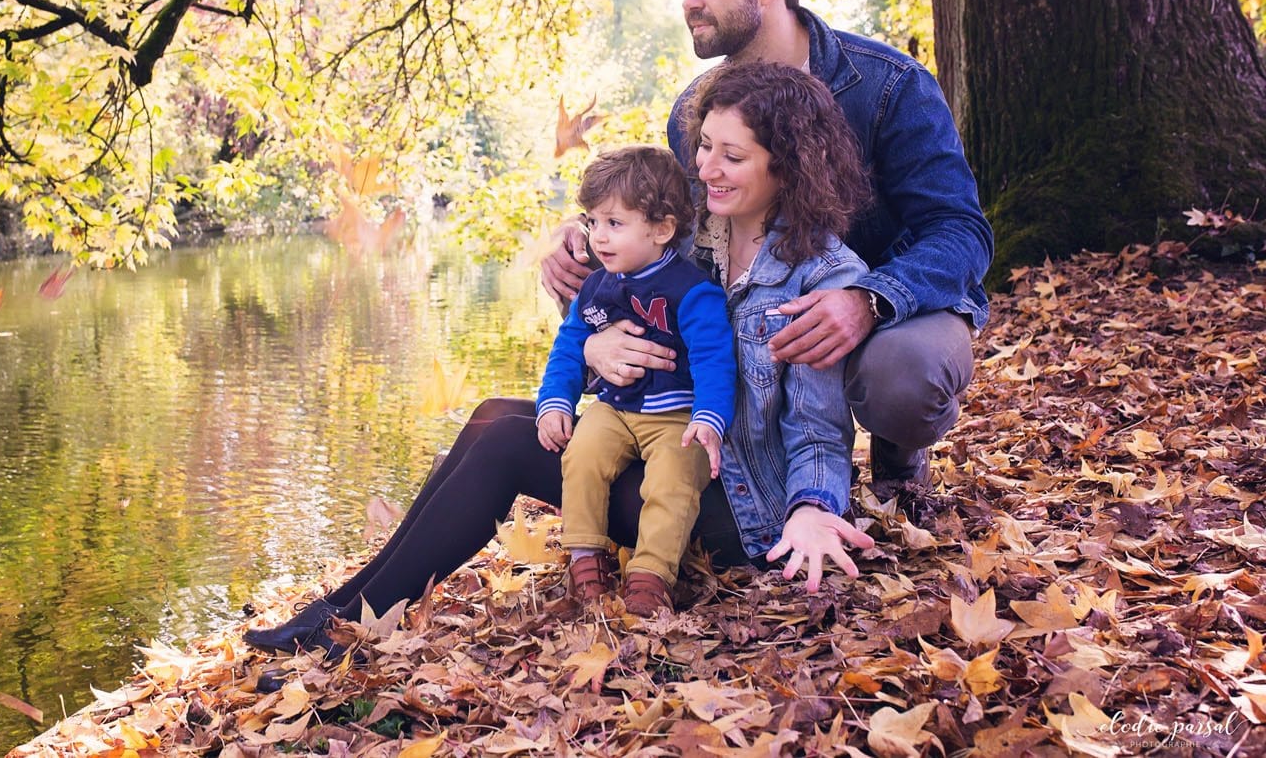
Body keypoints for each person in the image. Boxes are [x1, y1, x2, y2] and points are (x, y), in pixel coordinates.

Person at [244, 62, 876, 662]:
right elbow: (608, 326)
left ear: (786, 168)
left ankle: (347, 621)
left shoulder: (820, 277)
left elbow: (819, 430)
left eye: (731, 157)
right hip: (654, 446)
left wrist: (814, 511)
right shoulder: (686, 233)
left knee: (506, 445)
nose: (705, 167)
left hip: (736, 506)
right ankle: (342, 606)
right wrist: (594, 343)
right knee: (494, 416)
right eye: (705, 145)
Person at [542, 0, 993, 501]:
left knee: (900, 378)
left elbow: (961, 231)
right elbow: (673, 224)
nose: (689, 0)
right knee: (600, 281)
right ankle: (719, 459)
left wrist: (868, 299)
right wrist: (589, 232)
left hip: (893, 307)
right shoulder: (693, 109)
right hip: (767, 314)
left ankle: (898, 454)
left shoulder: (889, 86)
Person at [534, 146, 734, 616]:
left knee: (674, 477)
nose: (599, 238)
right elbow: (569, 347)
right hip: (614, 409)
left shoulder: (692, 291)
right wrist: (555, 403)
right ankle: (585, 558)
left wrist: (710, 418)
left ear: (662, 229)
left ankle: (650, 576)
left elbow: (715, 361)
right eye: (593, 222)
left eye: (615, 224)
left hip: (677, 413)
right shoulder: (596, 285)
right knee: (581, 453)